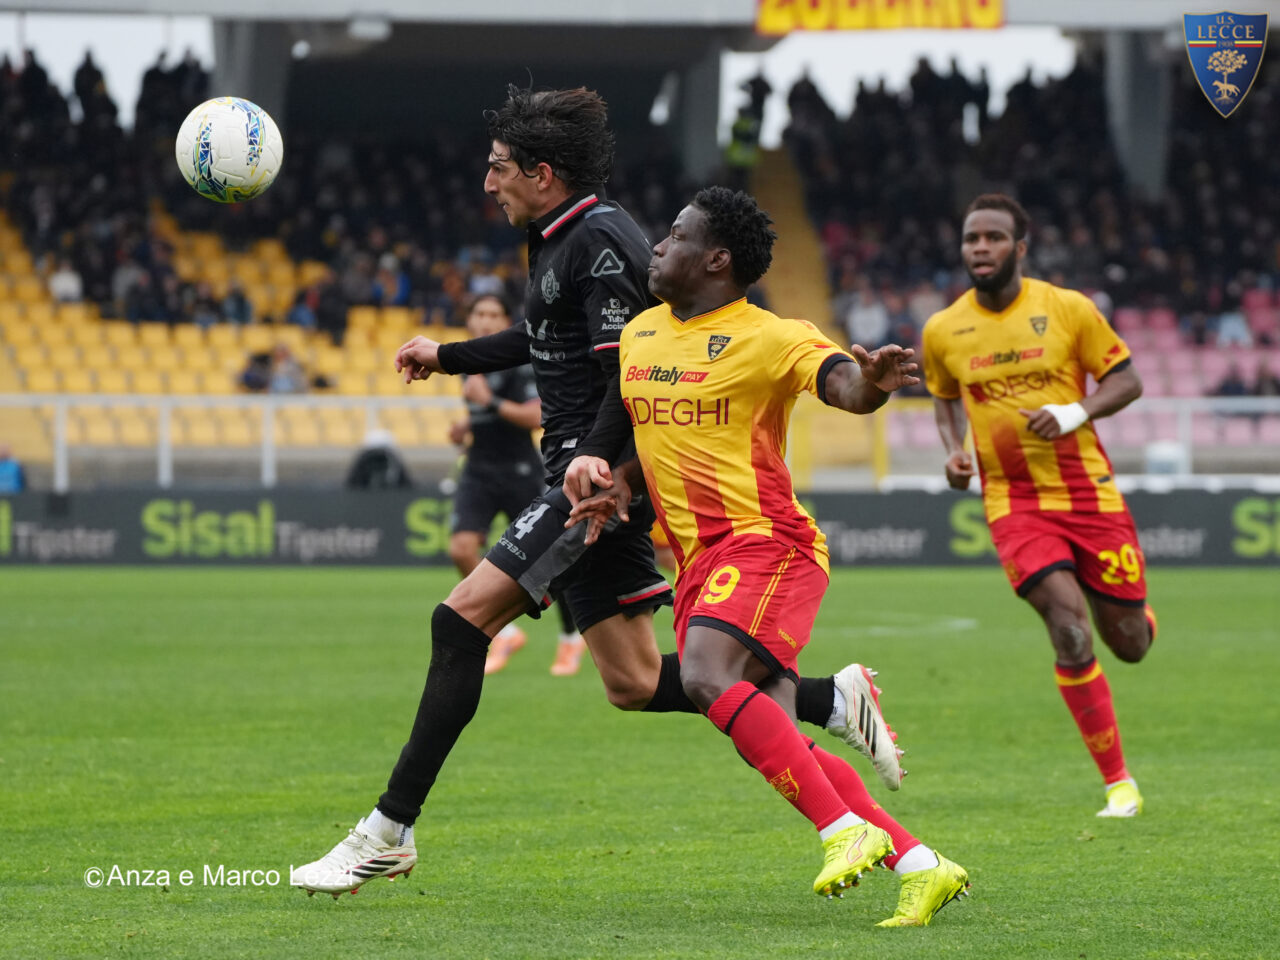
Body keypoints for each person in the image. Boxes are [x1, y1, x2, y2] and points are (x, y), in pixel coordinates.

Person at [291, 86, 899, 899]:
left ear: (542, 174)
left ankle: (386, 832)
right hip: (583, 472)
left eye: (499, 168)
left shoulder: (604, 241)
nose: (488, 183)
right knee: (634, 682)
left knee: (459, 620)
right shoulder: (557, 242)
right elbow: (546, 336)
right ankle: (830, 701)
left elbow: (637, 380)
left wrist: (605, 473)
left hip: (594, 482)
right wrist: (451, 355)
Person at [563, 187, 968, 923]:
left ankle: (842, 830)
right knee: (773, 736)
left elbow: (843, 384)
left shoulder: (771, 336)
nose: (659, 245)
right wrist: (615, 481)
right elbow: (644, 428)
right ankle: (922, 863)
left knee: (704, 676)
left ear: (716, 259)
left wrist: (871, 385)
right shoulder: (643, 333)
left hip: (768, 542)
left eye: (676, 235)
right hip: (697, 561)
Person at [922, 193, 1156, 819]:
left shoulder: (1068, 309)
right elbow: (944, 396)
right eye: (971, 238)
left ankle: (1133, 614)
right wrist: (953, 450)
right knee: (1068, 627)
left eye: (993, 237)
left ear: (1019, 248)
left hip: (1088, 494)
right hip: (1014, 501)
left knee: (1130, 644)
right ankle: (1119, 783)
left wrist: (1076, 411)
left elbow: (1127, 380)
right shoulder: (943, 329)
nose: (980, 248)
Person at [446, 293, 585, 676]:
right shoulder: (471, 363)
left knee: (552, 559)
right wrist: (467, 427)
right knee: (461, 548)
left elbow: (534, 416)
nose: (486, 320)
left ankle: (570, 638)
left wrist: (489, 402)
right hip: (478, 468)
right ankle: (506, 633)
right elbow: (486, 413)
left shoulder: (519, 362)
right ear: (470, 320)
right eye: (480, 313)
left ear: (505, 321)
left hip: (519, 471)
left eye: (494, 314)